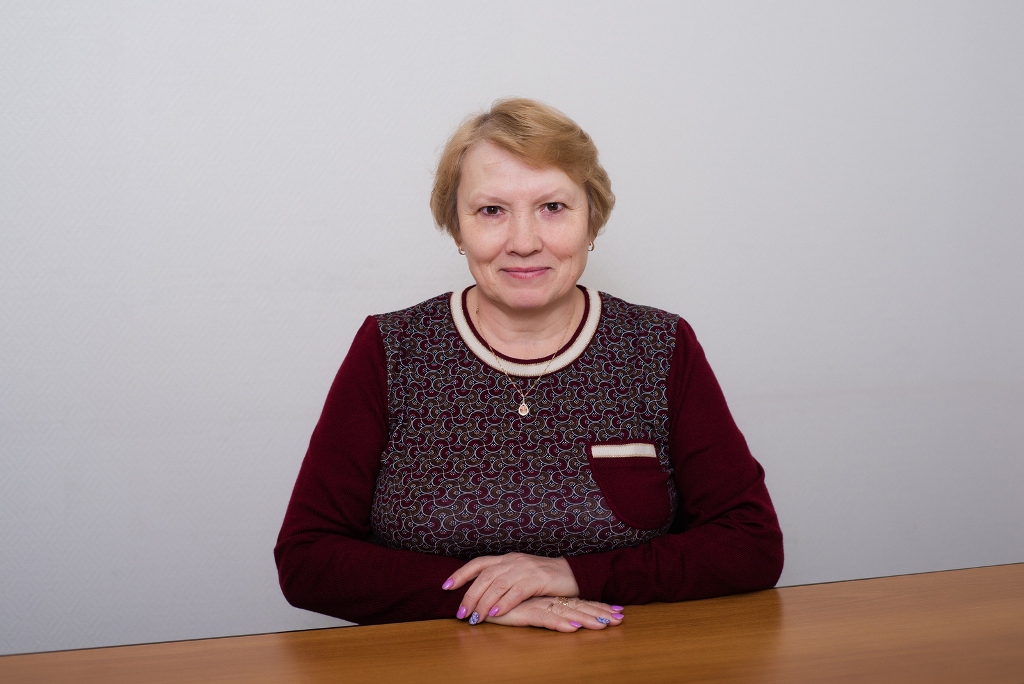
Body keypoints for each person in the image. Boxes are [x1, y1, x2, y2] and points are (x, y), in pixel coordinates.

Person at [275, 98, 783, 633]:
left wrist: (570, 574)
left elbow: (750, 544)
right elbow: (308, 558)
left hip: (620, 660)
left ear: (592, 220)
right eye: (491, 211)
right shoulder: (391, 349)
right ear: (457, 228)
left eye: (553, 207)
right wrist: (487, 599)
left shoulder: (659, 346)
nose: (524, 242)